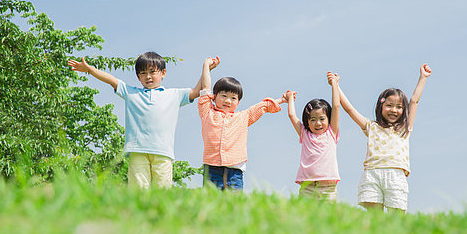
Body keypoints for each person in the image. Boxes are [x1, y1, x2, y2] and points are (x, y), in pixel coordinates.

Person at [68, 52, 212, 188]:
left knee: (162, 190)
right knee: (138, 189)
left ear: (163, 73)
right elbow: (111, 80)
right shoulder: (131, 93)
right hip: (137, 150)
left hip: (163, 151)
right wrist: (90, 70)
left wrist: (206, 68)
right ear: (138, 77)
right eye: (143, 73)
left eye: (152, 72)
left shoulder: (174, 94)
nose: (148, 76)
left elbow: (196, 91)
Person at [339, 64, 432, 212]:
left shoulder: (404, 128)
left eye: (399, 107)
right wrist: (336, 86)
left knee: (397, 216)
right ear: (380, 106)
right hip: (372, 174)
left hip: (396, 175)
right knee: (374, 217)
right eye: (389, 105)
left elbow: (414, 101)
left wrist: (423, 78)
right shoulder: (371, 126)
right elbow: (349, 109)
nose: (394, 110)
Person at [198, 57, 285, 190]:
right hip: (212, 168)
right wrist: (206, 66)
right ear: (214, 97)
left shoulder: (243, 117)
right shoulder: (207, 113)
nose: (228, 100)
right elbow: (205, 89)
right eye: (224, 96)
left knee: (234, 202)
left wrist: (282, 100)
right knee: (211, 201)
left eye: (233, 98)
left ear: (238, 102)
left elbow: (262, 107)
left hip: (234, 170)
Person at [284, 72, 341, 200]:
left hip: (328, 186)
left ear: (328, 119)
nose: (318, 123)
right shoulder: (305, 134)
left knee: (328, 217)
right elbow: (292, 116)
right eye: (313, 119)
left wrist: (334, 84)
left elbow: (336, 107)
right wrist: (290, 100)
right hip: (307, 186)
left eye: (322, 119)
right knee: (304, 216)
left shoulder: (331, 133)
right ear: (307, 121)